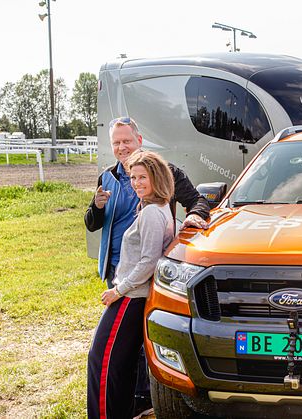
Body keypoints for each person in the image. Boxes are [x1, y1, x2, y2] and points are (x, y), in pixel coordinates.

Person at [84, 117, 210, 418]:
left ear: (139, 140)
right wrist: (97, 206)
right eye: (116, 142)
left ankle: (141, 400)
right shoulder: (108, 177)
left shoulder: (164, 178)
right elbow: (91, 223)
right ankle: (134, 403)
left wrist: (192, 219)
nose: (121, 147)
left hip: (134, 279)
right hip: (119, 267)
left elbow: (197, 202)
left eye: (126, 141)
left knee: (117, 353)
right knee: (124, 350)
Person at [87, 150, 176, 419]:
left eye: (142, 177)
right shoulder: (158, 208)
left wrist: (118, 290)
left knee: (102, 363)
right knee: (121, 365)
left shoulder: (151, 214)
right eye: (133, 177)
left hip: (131, 298)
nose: (136, 183)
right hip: (136, 297)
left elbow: (149, 262)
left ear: (157, 178)